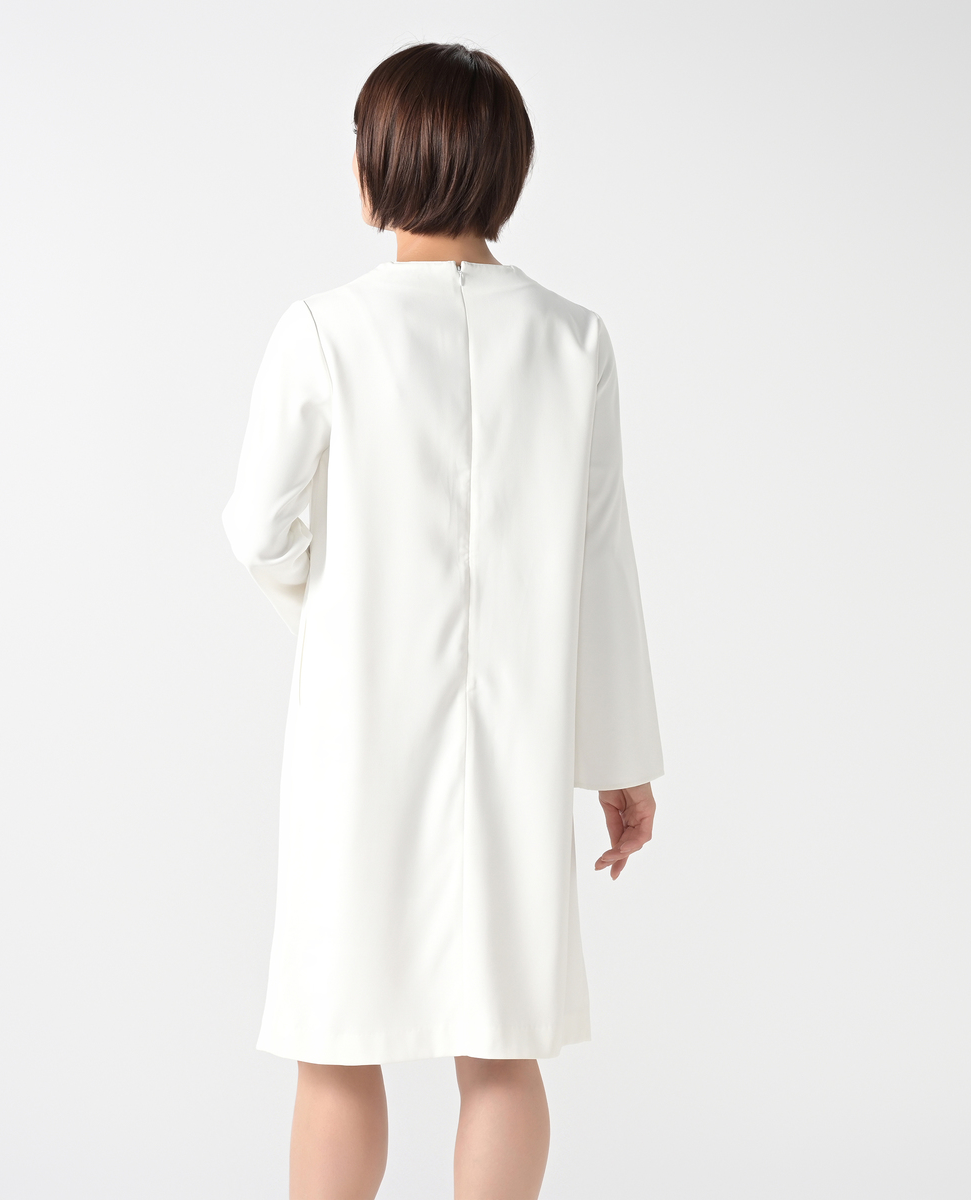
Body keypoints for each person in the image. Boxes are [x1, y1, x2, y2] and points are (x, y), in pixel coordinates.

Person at [222, 41, 664, 1200]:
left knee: (336, 1041)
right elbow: (601, 559)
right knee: (501, 1048)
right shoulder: (573, 339)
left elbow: (259, 530)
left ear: (373, 167)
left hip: (357, 741)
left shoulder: (323, 329)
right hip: (515, 749)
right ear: (508, 172)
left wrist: (336, 609)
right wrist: (620, 761)